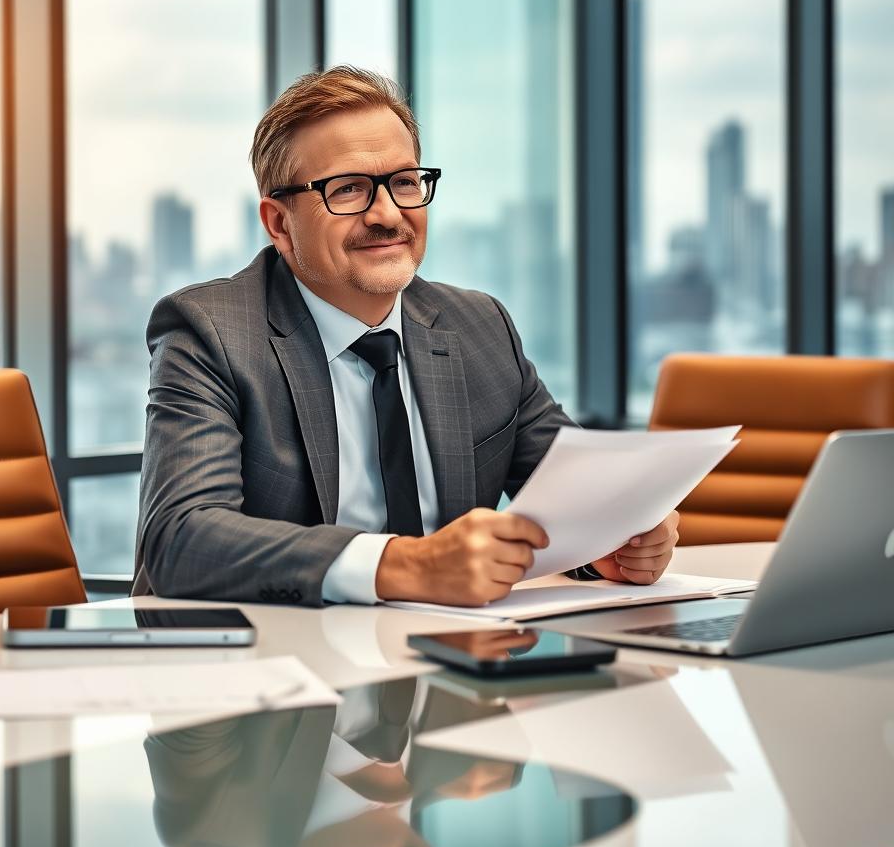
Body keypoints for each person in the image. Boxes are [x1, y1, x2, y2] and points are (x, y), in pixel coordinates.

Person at [132, 66, 679, 607]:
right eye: (347, 190)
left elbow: (582, 497)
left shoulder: (478, 327)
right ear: (278, 223)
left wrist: (617, 539)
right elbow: (182, 538)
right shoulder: (211, 332)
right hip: (273, 671)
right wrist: (405, 565)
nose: (388, 214)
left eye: (403, 183)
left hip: (456, 668)